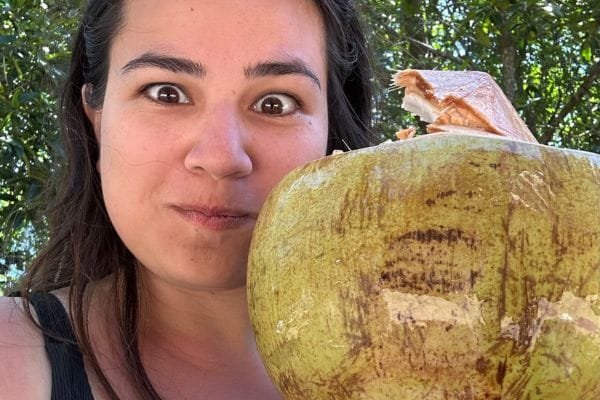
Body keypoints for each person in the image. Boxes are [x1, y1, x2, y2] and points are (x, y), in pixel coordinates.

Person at [0, 0, 374, 398]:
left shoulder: (425, 365)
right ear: (97, 117)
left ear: (333, 140)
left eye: (275, 103)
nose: (221, 159)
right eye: (166, 93)